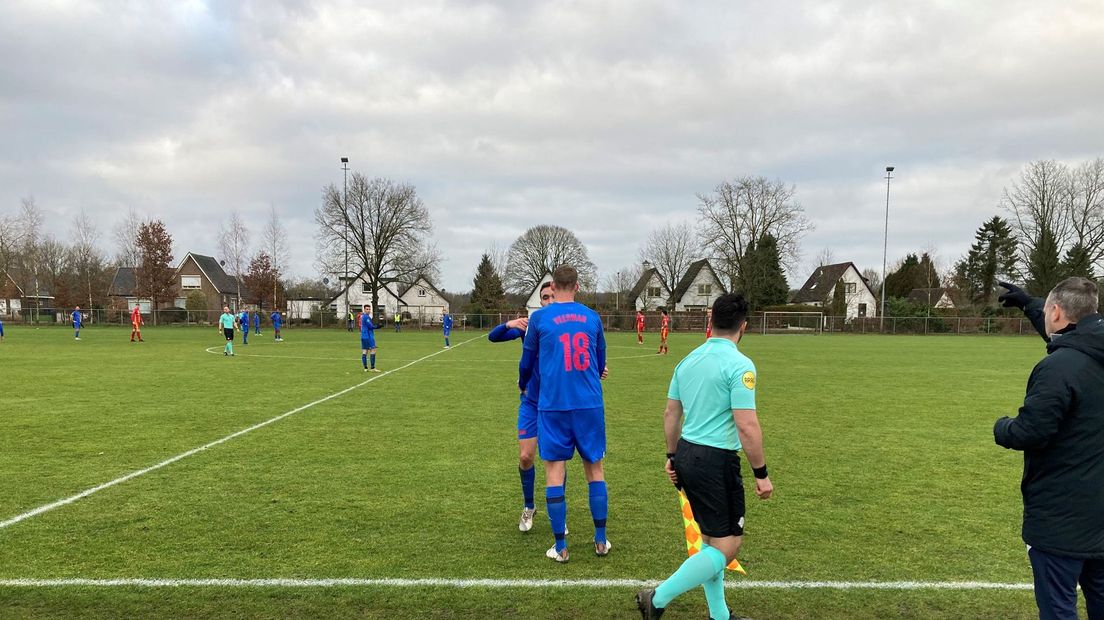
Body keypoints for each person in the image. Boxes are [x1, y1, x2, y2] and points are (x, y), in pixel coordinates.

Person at [637, 293, 773, 620]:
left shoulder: (688, 361)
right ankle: (656, 597)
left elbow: (671, 413)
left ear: (710, 320)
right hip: (716, 462)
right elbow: (747, 425)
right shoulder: (740, 365)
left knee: (712, 540)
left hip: (687, 453)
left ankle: (720, 615)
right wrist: (761, 473)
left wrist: (672, 456)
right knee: (727, 547)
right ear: (745, 326)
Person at [994, 277, 1104, 620]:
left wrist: (1003, 427)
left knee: (1058, 607)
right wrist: (1029, 303)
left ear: (1056, 311)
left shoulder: (1058, 367)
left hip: (1063, 518)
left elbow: (1031, 432)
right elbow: (1076, 344)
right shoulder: (1087, 350)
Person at [520, 265, 609, 562]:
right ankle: (600, 540)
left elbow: (527, 362)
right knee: (595, 470)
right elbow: (600, 363)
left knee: (555, 473)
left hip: (553, 405)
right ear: (578, 285)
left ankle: (560, 547)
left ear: (553, 286)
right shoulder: (592, 317)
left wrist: (523, 385)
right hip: (589, 405)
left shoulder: (540, 318)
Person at [488, 281, 554, 532]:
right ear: (540, 301)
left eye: (551, 296)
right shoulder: (530, 326)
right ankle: (529, 506)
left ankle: (558, 511)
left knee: (554, 460)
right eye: (544, 297)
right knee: (526, 457)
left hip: (555, 402)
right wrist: (510, 324)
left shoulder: (564, 327)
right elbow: (493, 337)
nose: (548, 301)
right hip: (530, 401)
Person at [359, 304, 381, 372]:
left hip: (363, 336)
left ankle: (365, 368)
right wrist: (377, 326)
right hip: (368, 336)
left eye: (369, 309)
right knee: (373, 350)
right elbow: (370, 327)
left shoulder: (363, 317)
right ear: (364, 310)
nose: (368, 310)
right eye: (367, 309)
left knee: (365, 351)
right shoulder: (366, 317)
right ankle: (372, 368)